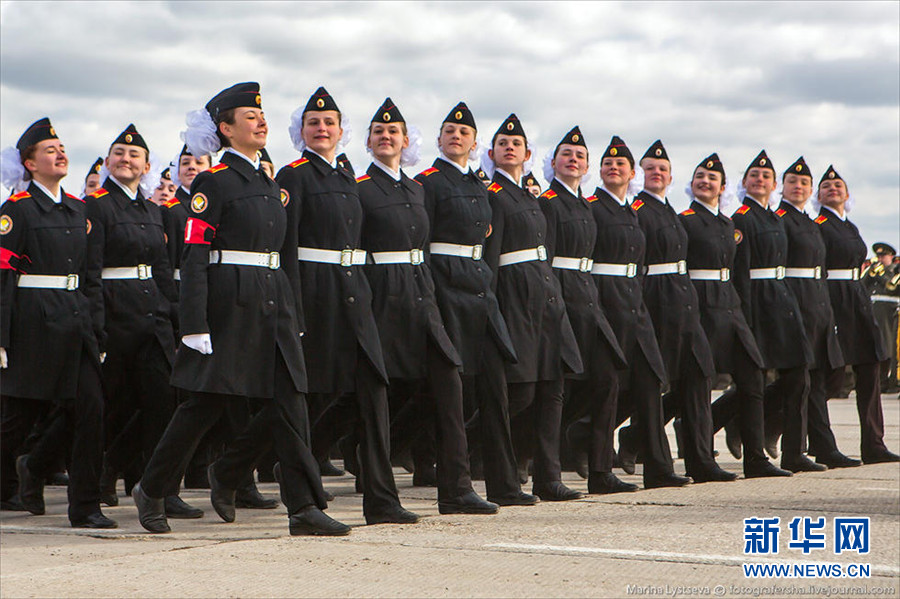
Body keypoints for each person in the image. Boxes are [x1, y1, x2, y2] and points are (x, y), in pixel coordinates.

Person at [133, 82, 347, 536]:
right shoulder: (214, 182)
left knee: (291, 403)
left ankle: (303, 507)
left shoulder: (269, 182)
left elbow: (282, 254)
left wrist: (295, 315)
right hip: (230, 302)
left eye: (261, 115)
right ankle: (151, 488)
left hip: (274, 301)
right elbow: (194, 256)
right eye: (249, 116)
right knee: (205, 404)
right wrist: (194, 323)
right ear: (226, 129)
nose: (260, 121)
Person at [277, 86, 418, 525]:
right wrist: (294, 309)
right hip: (315, 295)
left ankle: (381, 498)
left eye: (329, 123)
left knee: (373, 391)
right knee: (306, 397)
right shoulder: (293, 176)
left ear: (342, 131)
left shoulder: (346, 176)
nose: (322, 128)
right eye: (313, 123)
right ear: (301, 131)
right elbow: (286, 249)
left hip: (355, 294)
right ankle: (234, 469)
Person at [357, 97, 497, 514]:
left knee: (449, 382)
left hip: (423, 292)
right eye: (378, 132)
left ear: (405, 140)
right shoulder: (360, 190)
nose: (386, 137)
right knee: (377, 395)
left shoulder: (416, 189)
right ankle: (380, 496)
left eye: (393, 132)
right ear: (367, 142)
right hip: (381, 294)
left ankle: (455, 489)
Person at [415, 102, 535, 506]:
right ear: (438, 139)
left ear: (474, 143)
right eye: (449, 131)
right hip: (446, 290)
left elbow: (486, 243)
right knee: (451, 397)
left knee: (496, 393)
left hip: (481, 292)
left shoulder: (480, 187)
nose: (456, 136)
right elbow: (422, 246)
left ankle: (505, 484)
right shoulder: (427, 182)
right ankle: (456, 489)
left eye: (463, 133)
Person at [0, 118, 115, 528]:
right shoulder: (17, 211)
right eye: (49, 150)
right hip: (33, 320)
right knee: (18, 417)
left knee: (91, 409)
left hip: (75, 318)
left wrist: (97, 329)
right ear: (29, 164)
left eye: (62, 147)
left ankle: (85, 506)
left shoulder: (79, 210)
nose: (60, 153)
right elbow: (3, 275)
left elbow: (92, 276)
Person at [85, 124, 202, 517]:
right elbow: (92, 270)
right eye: (118, 153)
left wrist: (173, 317)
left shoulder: (153, 211)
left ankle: (160, 488)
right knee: (113, 406)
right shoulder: (97, 206)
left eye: (134, 155)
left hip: (152, 317)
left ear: (147, 165)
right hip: (116, 315)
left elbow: (163, 269)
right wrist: (97, 326)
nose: (126, 159)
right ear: (107, 162)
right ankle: (102, 476)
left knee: (161, 404)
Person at [482, 114, 584, 501]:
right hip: (514, 299)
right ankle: (490, 467)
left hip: (546, 300)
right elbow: (491, 259)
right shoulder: (492, 194)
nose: (510, 147)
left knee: (552, 391)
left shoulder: (531, 197)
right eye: (503, 143)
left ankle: (549, 477)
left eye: (517, 143)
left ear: (527, 154)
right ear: (491, 153)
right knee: (520, 394)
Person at [677, 153, 791, 478]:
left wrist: (745, 314)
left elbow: (738, 272)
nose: (705, 181)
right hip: (699, 304)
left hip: (730, 305)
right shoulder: (685, 220)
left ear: (722, 187)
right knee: (698, 384)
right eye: (700, 176)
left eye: (712, 179)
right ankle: (700, 461)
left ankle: (755, 459)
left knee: (752, 377)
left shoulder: (727, 224)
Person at [587, 135, 689, 489]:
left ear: (631, 173)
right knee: (608, 386)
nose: (613, 168)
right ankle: (601, 471)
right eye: (607, 164)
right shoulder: (592, 207)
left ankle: (659, 468)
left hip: (634, 300)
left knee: (649, 382)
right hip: (605, 300)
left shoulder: (630, 211)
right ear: (599, 171)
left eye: (620, 165)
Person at [631, 141, 736, 483]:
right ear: (639, 174)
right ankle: (647, 458)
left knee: (698, 376)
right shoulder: (637, 210)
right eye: (649, 169)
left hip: (683, 299)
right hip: (655, 300)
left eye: (662, 169)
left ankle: (700, 460)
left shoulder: (669, 212)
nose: (656, 173)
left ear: (671, 177)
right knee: (646, 384)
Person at [538, 126, 631, 494]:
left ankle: (600, 470)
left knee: (607, 379)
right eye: (566, 155)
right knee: (558, 387)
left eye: (579, 157)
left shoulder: (584, 205)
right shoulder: (549, 203)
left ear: (586, 166)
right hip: (561, 296)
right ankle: (544, 467)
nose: (573, 160)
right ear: (554, 162)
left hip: (588, 297)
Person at [729, 150, 819, 473]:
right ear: (744, 182)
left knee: (798, 375)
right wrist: (745, 316)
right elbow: (741, 272)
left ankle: (794, 452)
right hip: (757, 300)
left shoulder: (775, 218)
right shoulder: (741, 217)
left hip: (781, 299)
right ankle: (755, 455)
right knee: (752, 381)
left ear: (774, 184)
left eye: (766, 177)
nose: (760, 180)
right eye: (754, 176)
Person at [768, 157, 858, 468]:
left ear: (810, 191)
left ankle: (821, 445)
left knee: (820, 378)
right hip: (794, 303)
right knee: (801, 380)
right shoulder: (780, 218)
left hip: (816, 303)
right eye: (792, 182)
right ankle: (800, 448)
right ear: (783, 187)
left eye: (804, 183)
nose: (798, 187)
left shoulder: (808, 221)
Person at [816, 165, 899, 464]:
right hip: (832, 297)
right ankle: (790, 429)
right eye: (826, 186)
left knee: (870, 367)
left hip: (856, 297)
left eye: (838, 186)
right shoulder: (819, 224)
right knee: (831, 376)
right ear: (818, 195)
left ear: (847, 195)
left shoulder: (849, 226)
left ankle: (873, 443)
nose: (833, 189)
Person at [862, 242, 899, 392]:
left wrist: (882, 275)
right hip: (872, 310)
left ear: (891, 256)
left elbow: (893, 288)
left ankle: (890, 381)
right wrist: (871, 274)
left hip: (888, 313)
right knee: (874, 347)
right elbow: (862, 286)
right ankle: (879, 381)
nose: (880, 259)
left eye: (883, 256)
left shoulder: (894, 271)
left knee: (888, 347)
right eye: (878, 256)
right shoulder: (873, 271)